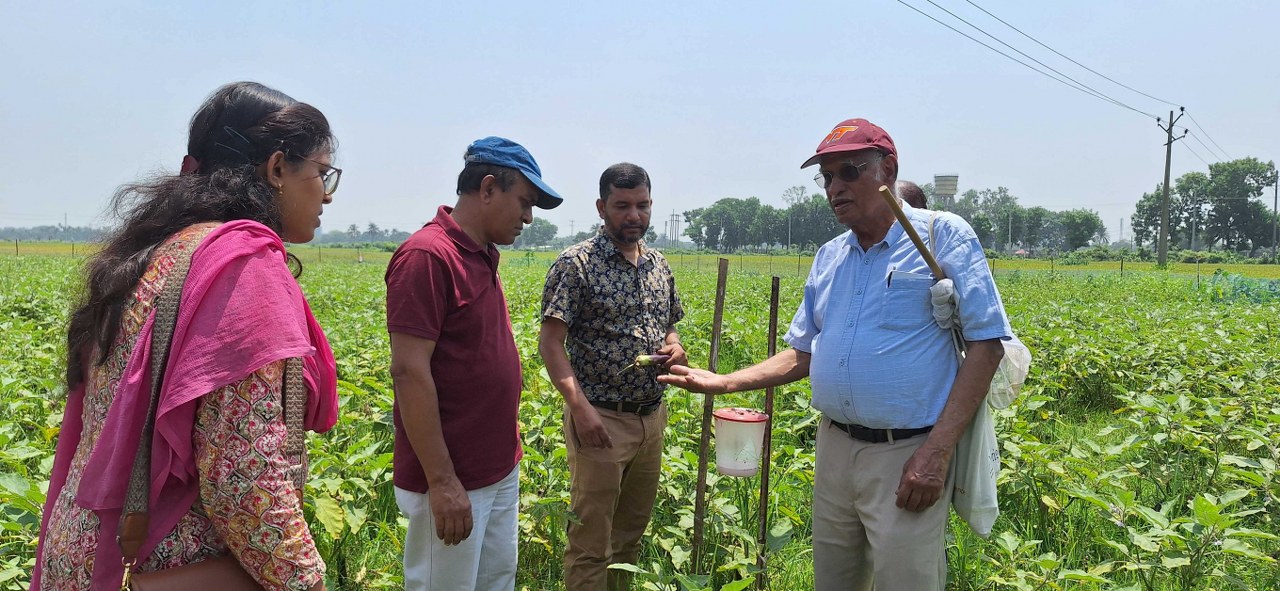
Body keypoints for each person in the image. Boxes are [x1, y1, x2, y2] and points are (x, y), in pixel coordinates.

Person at [660, 119, 1010, 591]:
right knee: (835, 579)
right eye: (826, 178)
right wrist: (722, 381)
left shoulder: (941, 235)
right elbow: (802, 353)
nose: (835, 188)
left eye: (849, 171)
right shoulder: (830, 256)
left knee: (905, 580)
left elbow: (988, 345)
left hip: (907, 449)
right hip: (835, 448)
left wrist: (935, 452)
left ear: (887, 169)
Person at [33, 81, 340, 591]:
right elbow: (245, 478)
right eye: (322, 172)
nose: (326, 193)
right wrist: (305, 581)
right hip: (167, 563)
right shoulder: (244, 270)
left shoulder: (159, 250)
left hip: (86, 550)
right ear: (278, 168)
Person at [385, 136, 562, 590]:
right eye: (524, 202)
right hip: (453, 478)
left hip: (498, 466)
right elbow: (409, 372)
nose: (527, 217)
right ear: (487, 188)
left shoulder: (482, 254)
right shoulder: (427, 256)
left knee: (496, 580)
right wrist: (443, 482)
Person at [539, 163, 686, 591]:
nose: (633, 216)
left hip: (650, 418)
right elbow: (551, 345)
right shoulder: (577, 264)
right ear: (602, 207)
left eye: (641, 205)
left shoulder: (658, 264)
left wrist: (674, 346)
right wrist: (579, 409)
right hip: (600, 418)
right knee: (591, 543)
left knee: (628, 540)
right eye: (622, 206)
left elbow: (669, 325)